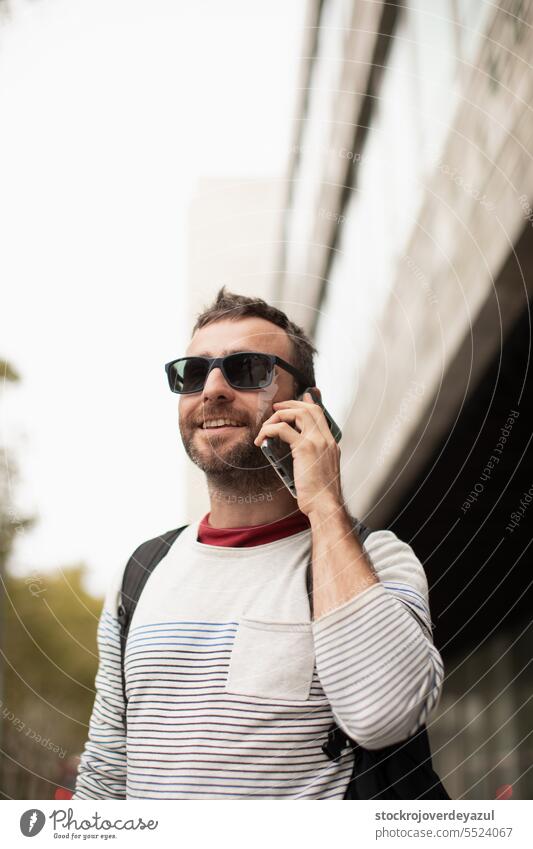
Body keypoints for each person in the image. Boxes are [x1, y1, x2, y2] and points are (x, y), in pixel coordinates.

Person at [72, 287, 444, 800]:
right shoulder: (140, 572)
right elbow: (106, 774)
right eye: (193, 373)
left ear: (307, 407)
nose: (214, 390)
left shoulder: (377, 560)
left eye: (247, 369)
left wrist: (325, 506)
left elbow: (385, 718)